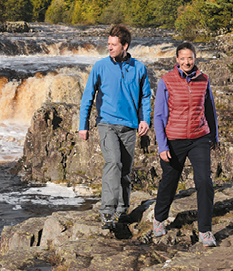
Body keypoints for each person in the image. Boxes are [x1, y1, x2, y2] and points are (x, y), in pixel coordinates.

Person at [79, 24, 152, 230]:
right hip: (106, 123)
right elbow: (88, 97)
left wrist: (144, 119)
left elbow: (145, 96)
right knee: (113, 163)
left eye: (113, 44)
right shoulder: (100, 66)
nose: (109, 47)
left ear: (125, 45)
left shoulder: (139, 68)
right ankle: (107, 212)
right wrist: (82, 125)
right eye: (108, 44)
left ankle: (122, 210)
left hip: (129, 126)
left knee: (125, 171)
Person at [152, 41, 219, 247]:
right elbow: (159, 115)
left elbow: (210, 110)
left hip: (199, 138)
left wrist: (214, 136)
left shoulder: (203, 80)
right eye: (183, 58)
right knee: (169, 182)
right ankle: (159, 219)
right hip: (175, 139)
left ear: (195, 58)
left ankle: (205, 231)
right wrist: (162, 146)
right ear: (177, 60)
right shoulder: (166, 81)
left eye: (190, 58)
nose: (187, 62)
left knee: (204, 182)